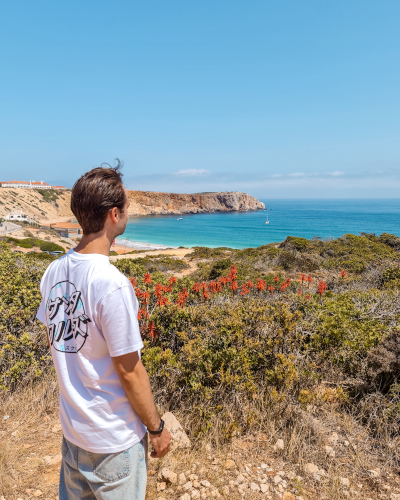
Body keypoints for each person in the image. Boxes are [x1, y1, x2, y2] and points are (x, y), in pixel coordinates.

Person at [36, 163, 171, 500]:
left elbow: (62, 342)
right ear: (114, 214)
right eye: (126, 206)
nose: (128, 212)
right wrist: (156, 427)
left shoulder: (53, 273)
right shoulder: (111, 285)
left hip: (74, 436)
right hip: (113, 442)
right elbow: (129, 370)